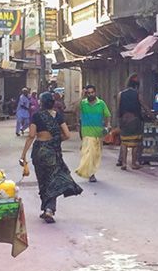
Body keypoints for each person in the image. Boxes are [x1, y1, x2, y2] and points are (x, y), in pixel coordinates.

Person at [20, 92, 82, 223]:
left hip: (39, 151)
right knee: (52, 180)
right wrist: (55, 141)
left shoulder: (36, 116)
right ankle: (49, 209)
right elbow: (67, 134)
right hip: (53, 152)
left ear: (41, 103)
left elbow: (31, 135)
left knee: (42, 180)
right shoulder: (58, 116)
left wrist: (23, 154)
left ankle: (46, 208)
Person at [75, 84, 111, 183]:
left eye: (92, 92)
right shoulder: (83, 103)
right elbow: (75, 109)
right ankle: (90, 174)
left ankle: (89, 171)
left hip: (98, 134)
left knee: (95, 155)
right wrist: (81, 96)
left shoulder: (101, 103)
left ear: (95, 93)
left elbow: (107, 115)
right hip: (86, 133)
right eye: (88, 93)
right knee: (89, 154)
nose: (90, 94)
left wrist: (108, 125)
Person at [117, 75, 146, 170]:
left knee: (124, 142)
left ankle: (124, 163)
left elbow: (118, 109)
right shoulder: (137, 94)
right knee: (135, 143)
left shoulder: (120, 94)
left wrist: (119, 121)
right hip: (135, 121)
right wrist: (151, 114)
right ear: (136, 85)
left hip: (124, 121)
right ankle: (133, 163)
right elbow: (144, 105)